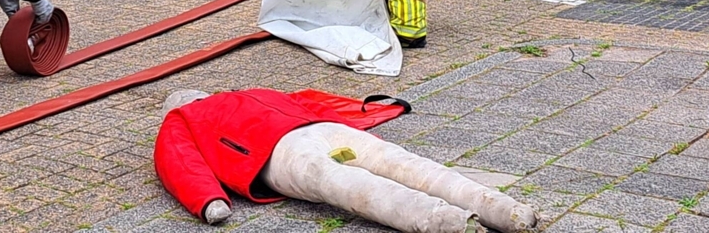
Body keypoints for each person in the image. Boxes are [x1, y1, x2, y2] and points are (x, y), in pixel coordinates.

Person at [155, 87, 538, 232]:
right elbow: (178, 161)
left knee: (368, 178)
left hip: (297, 142)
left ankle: (475, 216)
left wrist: (209, 202)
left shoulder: (194, 114)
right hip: (300, 139)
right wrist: (208, 201)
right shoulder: (211, 108)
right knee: (388, 171)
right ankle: (486, 214)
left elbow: (178, 161)